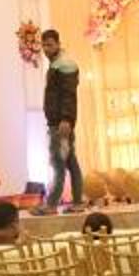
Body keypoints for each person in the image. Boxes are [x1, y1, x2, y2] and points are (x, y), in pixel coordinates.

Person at [38, 28, 84, 214]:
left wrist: (66, 119)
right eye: (44, 45)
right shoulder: (57, 64)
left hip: (61, 124)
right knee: (70, 162)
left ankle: (51, 205)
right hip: (57, 122)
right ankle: (78, 202)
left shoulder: (65, 65)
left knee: (57, 162)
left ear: (58, 44)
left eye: (49, 45)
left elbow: (68, 95)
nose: (46, 49)